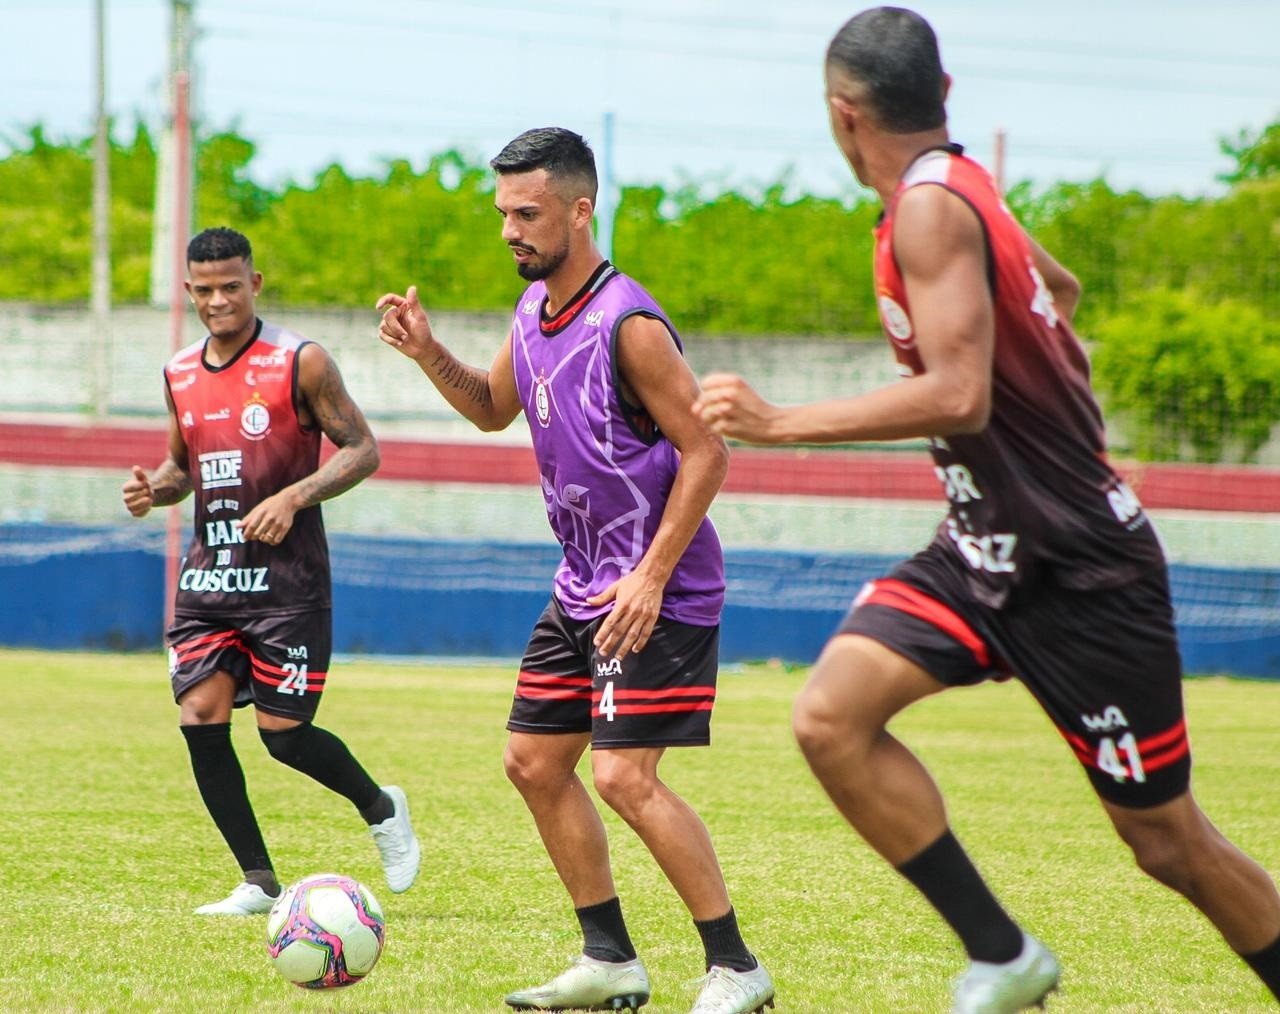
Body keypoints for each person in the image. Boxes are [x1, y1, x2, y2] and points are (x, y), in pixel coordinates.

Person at [693, 8, 1280, 1012]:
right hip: (982, 551)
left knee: (1165, 843)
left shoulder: (928, 211)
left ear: (841, 116)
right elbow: (1062, 286)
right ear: (944, 95)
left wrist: (777, 421)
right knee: (830, 718)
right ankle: (1002, 954)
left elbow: (958, 393)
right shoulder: (965, 191)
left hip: (1081, 567)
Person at [376, 127, 774, 1014]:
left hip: (654, 593)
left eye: (529, 212)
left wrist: (653, 576)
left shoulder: (628, 324)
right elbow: (489, 408)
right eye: (503, 214)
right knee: (532, 762)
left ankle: (737, 968)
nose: (511, 230)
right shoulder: (531, 313)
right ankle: (610, 960)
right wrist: (425, 351)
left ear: (581, 209)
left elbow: (707, 454)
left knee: (626, 777)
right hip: (581, 584)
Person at [122, 226, 421, 915]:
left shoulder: (299, 362)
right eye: (204, 290)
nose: (218, 301)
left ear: (254, 284)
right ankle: (259, 881)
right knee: (199, 715)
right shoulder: (179, 374)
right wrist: (154, 490)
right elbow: (181, 471)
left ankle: (380, 808)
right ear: (189, 291)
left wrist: (294, 495)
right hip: (209, 582)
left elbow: (362, 449)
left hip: (288, 587)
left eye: (231, 286)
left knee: (284, 738)